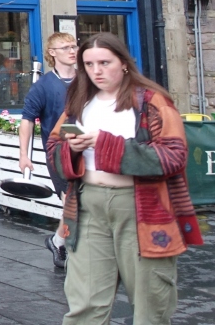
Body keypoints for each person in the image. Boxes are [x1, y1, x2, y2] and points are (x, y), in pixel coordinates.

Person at [47, 33, 203, 325]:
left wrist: (106, 143)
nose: (96, 71)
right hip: (87, 206)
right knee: (84, 302)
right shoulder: (79, 101)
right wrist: (73, 148)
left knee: (150, 303)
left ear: (124, 63)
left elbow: (174, 156)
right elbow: (55, 145)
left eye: (104, 63)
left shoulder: (152, 101)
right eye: (89, 64)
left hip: (142, 207)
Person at [20, 31, 77, 269]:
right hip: (59, 154)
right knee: (73, 205)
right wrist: (24, 155)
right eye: (66, 47)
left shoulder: (87, 80)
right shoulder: (43, 86)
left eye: (74, 46)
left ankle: (58, 241)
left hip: (88, 150)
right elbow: (27, 120)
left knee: (79, 206)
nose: (72, 51)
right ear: (52, 53)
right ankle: (65, 244)